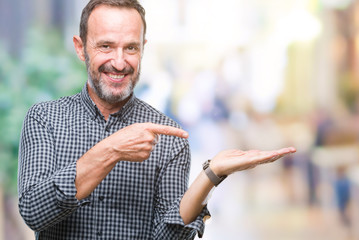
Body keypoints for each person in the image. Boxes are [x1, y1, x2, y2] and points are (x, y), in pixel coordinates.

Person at [17, 0, 296, 239]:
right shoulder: (44, 119)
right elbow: (34, 211)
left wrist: (211, 175)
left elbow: (166, 236)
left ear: (143, 49)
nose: (119, 61)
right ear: (81, 48)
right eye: (105, 46)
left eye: (131, 48)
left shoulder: (169, 136)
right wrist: (112, 149)